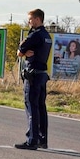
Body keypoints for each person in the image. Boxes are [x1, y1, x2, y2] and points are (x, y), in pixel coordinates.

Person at [15, 8, 53, 150]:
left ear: (37, 19)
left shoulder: (35, 35)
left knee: (31, 107)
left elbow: (20, 51)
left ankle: (32, 139)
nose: (29, 22)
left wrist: (22, 52)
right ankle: (43, 139)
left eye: (30, 19)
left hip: (33, 74)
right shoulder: (46, 35)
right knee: (41, 107)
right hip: (42, 74)